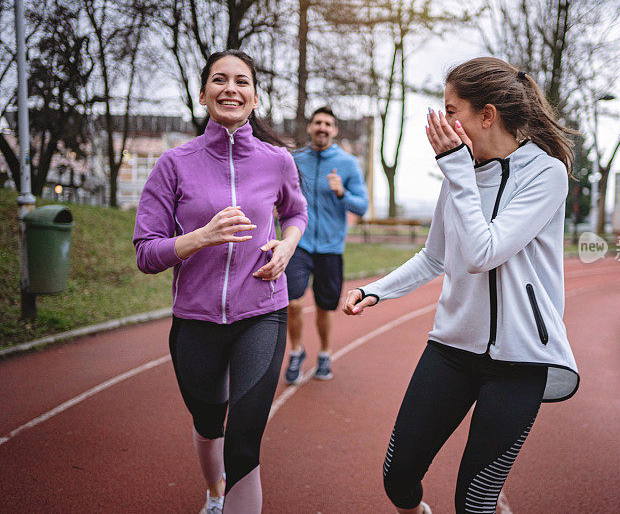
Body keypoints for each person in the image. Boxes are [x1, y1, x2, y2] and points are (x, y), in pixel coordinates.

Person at [343, 57, 580, 514]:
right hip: (452, 350)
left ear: (486, 115)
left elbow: (481, 253)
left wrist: (457, 170)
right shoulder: (459, 171)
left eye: (452, 110)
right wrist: (378, 289)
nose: (443, 121)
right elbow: (436, 255)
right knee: (397, 480)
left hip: (520, 359)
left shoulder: (545, 174)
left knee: (474, 503)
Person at [133, 49, 307, 514]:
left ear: (254, 96)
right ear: (204, 92)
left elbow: (295, 212)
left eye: (242, 81)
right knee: (210, 425)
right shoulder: (174, 164)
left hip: (262, 312)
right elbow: (146, 253)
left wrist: (287, 245)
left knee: (244, 442)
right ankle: (215, 493)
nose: (231, 88)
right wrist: (200, 238)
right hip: (196, 320)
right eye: (219, 80)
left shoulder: (276, 161)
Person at [283, 106, 368, 383]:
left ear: (334, 130)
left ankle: (324, 353)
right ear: (310, 127)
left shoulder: (348, 164)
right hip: (299, 242)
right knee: (292, 301)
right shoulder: (295, 160)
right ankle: (296, 351)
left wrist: (341, 191)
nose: (322, 127)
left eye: (327, 124)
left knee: (324, 306)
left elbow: (363, 206)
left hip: (331, 247)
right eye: (317, 122)